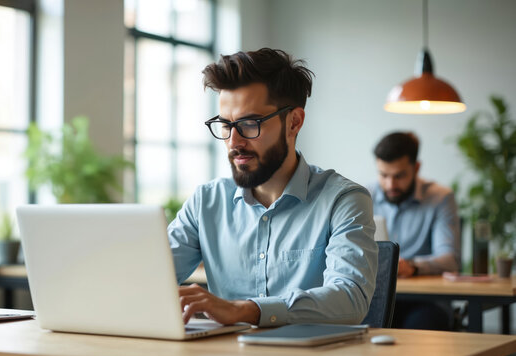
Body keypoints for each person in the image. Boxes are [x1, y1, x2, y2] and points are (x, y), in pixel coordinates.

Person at [167, 48, 378, 328]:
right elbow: (150, 279)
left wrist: (245, 310)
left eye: (249, 124)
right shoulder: (206, 202)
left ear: (294, 122)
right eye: (225, 125)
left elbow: (350, 299)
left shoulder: (343, 200)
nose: (233, 142)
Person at [368, 131, 460, 330]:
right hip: (376, 298)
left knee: (421, 325)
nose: (390, 184)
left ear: (416, 168)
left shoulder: (440, 198)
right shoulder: (364, 196)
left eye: (399, 176)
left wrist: (413, 266)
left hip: (426, 301)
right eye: (383, 175)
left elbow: (449, 260)